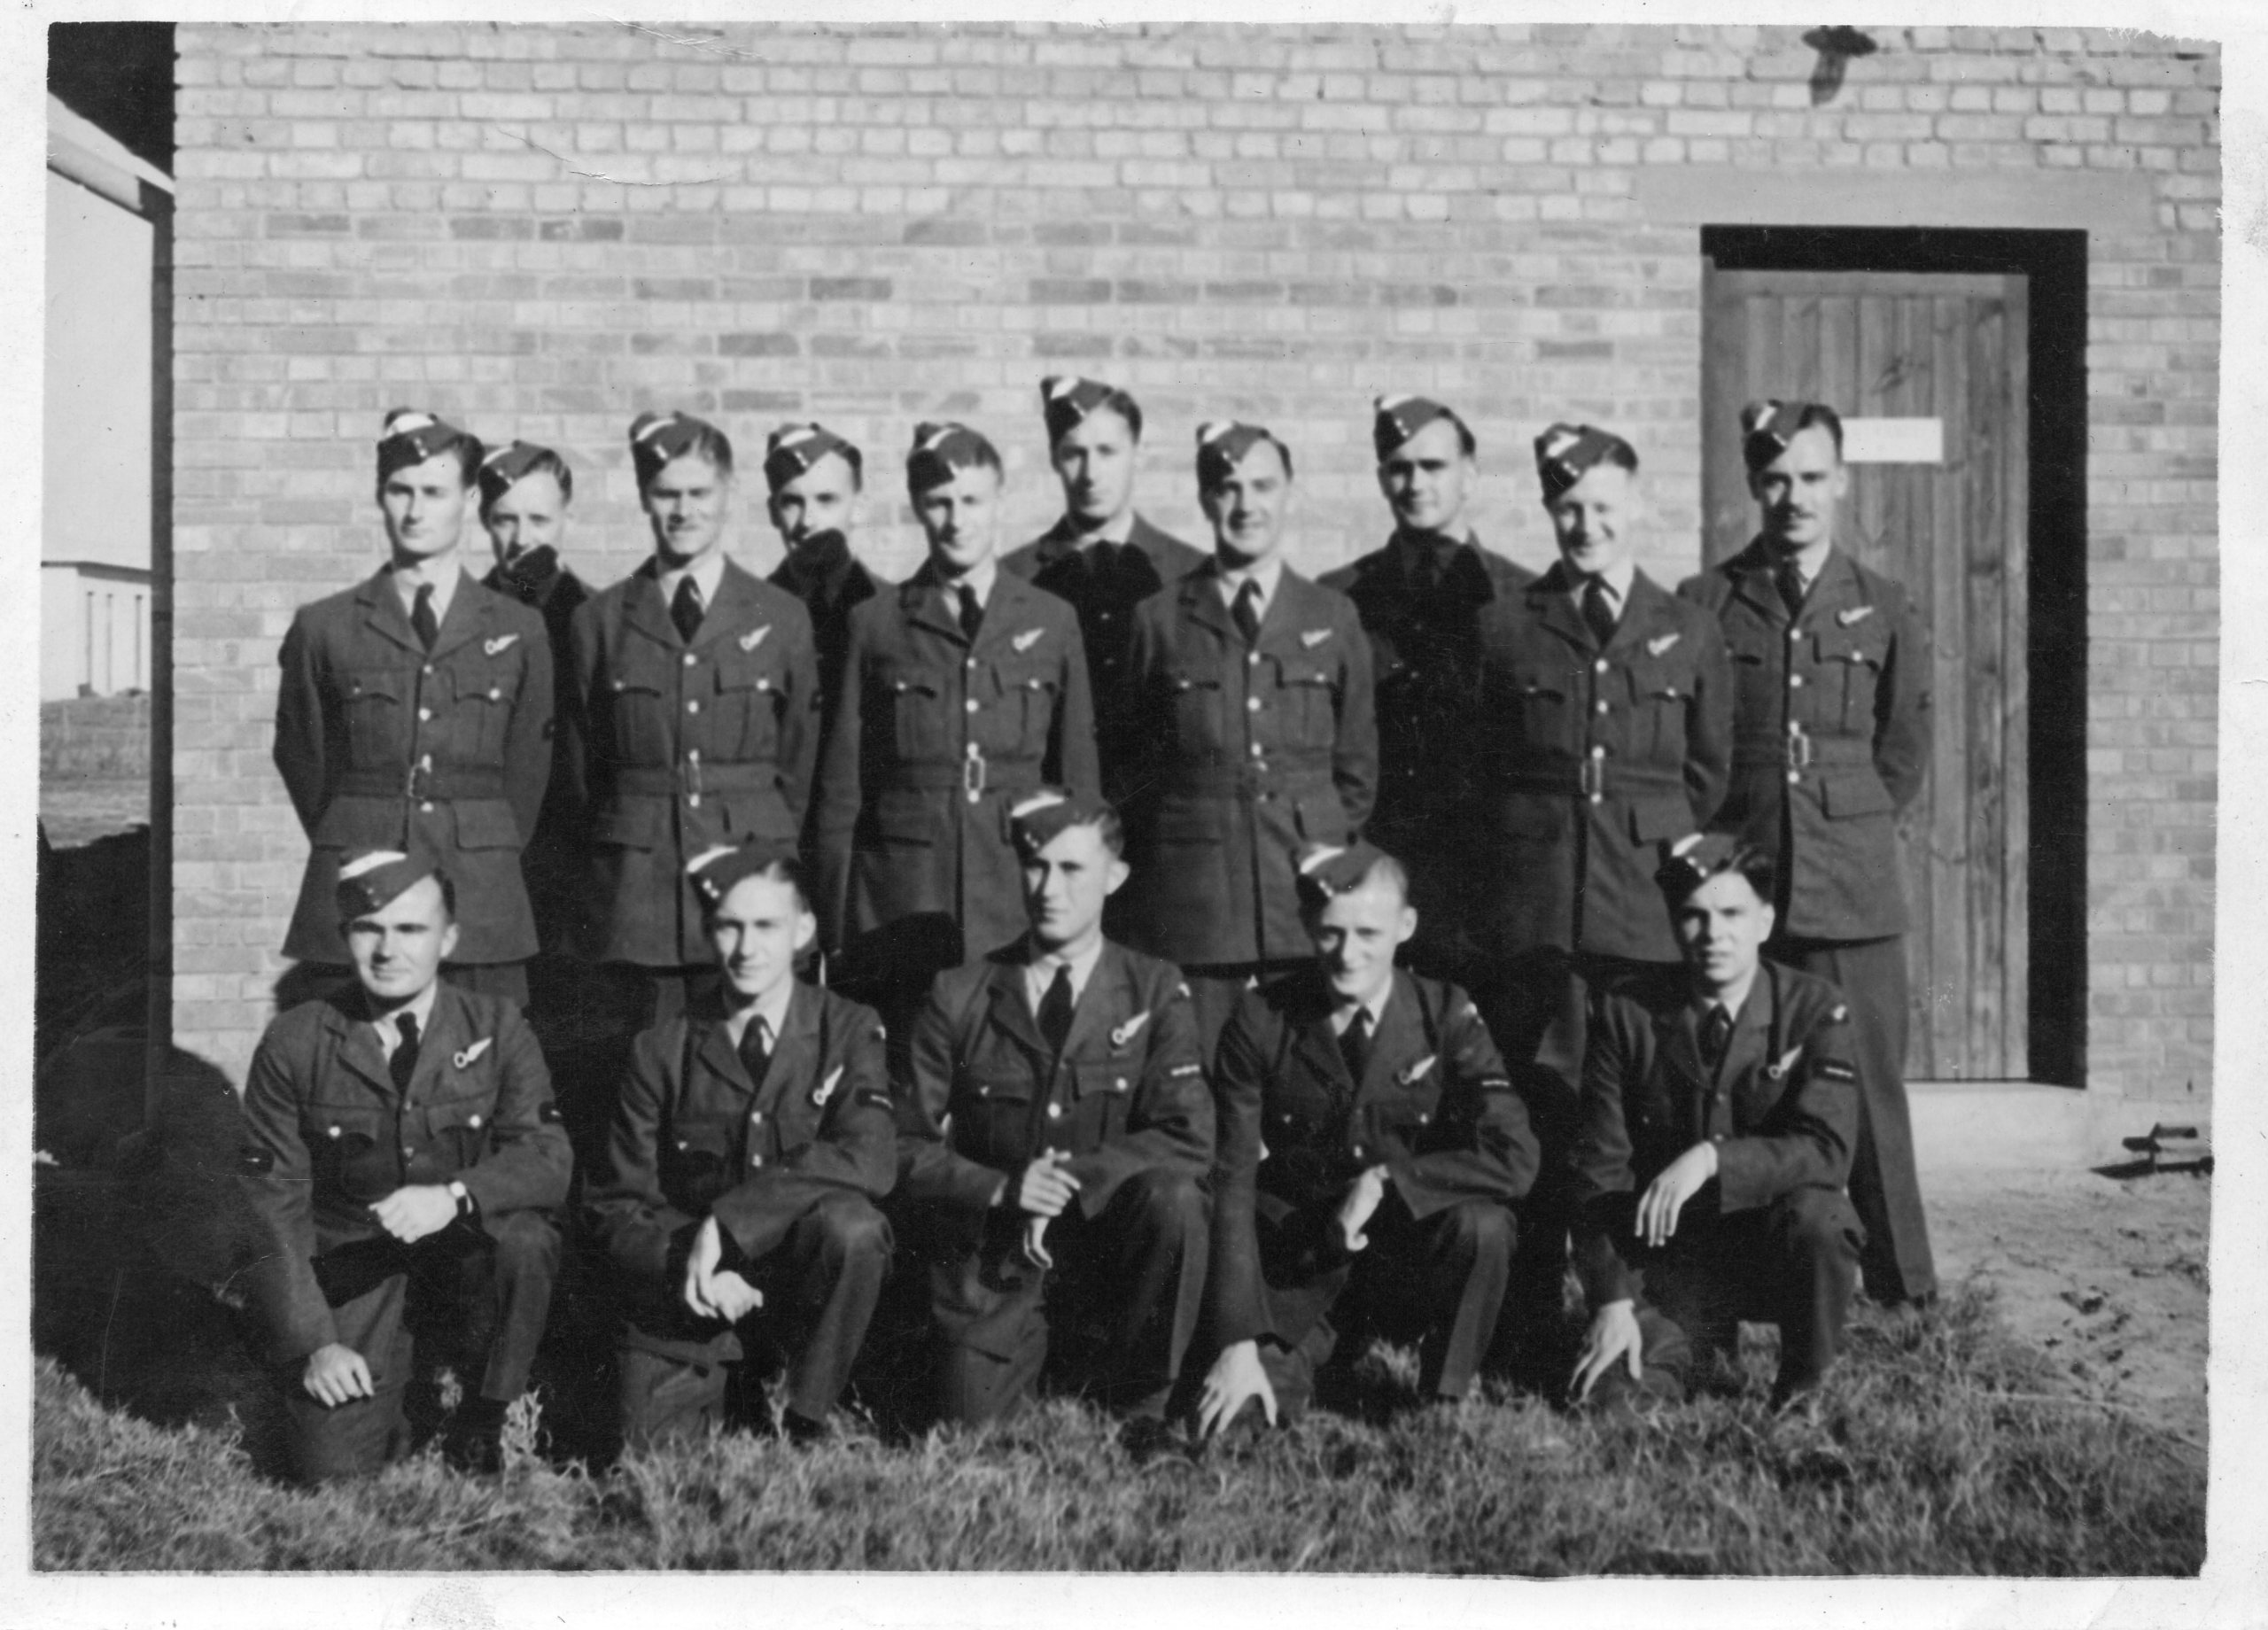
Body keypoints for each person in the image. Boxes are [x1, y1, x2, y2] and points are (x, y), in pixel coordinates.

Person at [1676, 400, 1937, 1309]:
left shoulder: (1884, 603)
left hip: (1848, 883)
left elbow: (1900, 753)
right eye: (1777, 478)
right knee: (1740, 1076)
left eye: (1813, 478)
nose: (1794, 497)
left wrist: (1844, 823)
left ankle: (1904, 1287)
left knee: (1867, 1083)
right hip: (1743, 881)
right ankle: (1735, 1285)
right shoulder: (1705, 602)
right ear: (1752, 483)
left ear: (1842, 483)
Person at [235, 846, 572, 1480]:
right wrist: (314, 1344)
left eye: (411, 929)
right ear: (345, 937)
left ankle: (485, 1412)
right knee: (327, 1478)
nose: (388, 951)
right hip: (357, 1266)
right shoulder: (297, 1040)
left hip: (466, 1251)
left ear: (449, 939)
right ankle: (392, 1382)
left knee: (526, 1240)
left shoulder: (498, 1026)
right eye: (369, 929)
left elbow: (548, 1155)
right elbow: (269, 1201)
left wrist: (455, 1195)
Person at [894, 789, 1212, 1437]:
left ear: (1114, 878)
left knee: (1175, 1198)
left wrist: (1069, 1186)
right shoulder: (960, 994)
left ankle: (1144, 1405)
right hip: (998, 1264)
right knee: (966, 1435)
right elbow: (899, 1144)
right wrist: (1003, 1187)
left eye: (1072, 870)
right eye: (1036, 866)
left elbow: (1188, 1136)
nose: (1048, 888)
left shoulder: (1153, 989)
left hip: (1109, 1258)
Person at [1198, 842, 1536, 1435]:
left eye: (1369, 934)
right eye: (1330, 933)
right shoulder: (1262, 1017)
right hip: (1305, 1257)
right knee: (1241, 1422)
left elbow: (1515, 1155)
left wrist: (1389, 1181)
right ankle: (1309, 1359)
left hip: (1412, 1255)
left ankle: (1445, 1399)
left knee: (1483, 1225)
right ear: (1306, 925)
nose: (1348, 955)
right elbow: (1232, 1179)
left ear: (1405, 927)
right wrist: (1236, 1341)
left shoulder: (1445, 1013)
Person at [586, 840, 896, 1448]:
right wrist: (687, 1258)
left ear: (803, 929)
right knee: (659, 1469)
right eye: (729, 927)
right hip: (695, 1290)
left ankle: (804, 1416)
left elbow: (872, 1157)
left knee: (854, 1227)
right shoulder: (661, 1049)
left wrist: (729, 1224)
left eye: (767, 926)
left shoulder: (849, 1028)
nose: (747, 948)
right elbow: (613, 1205)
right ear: (708, 931)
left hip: (803, 1284)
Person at [812, 422, 1099, 1026]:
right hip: (901, 896)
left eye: (971, 501)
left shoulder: (1050, 619)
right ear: (918, 506)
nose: (956, 519)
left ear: (998, 501)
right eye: (940, 503)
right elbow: (842, 789)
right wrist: (836, 928)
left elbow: (1077, 784)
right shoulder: (877, 623)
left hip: (1014, 889)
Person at [1567, 835, 1865, 1412]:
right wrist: (1608, 1300)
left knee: (1823, 1218)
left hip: (1770, 1249)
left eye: (1732, 914)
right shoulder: (1626, 1014)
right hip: (1669, 1259)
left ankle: (1805, 1392)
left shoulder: (1814, 1009)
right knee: (1612, 1404)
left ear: (1765, 921)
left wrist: (1711, 1159)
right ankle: (1687, 1348)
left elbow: (1826, 1149)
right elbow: (1597, 1165)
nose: (1714, 934)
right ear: (1675, 924)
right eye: (1695, 917)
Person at [1116, 420, 1379, 1057]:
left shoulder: (1331, 616)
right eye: (1227, 488)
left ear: (1288, 492)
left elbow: (1357, 768)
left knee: (1306, 1072)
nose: (1246, 504)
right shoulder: (1158, 619)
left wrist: (1317, 847)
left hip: (1303, 896)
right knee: (1201, 1074)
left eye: (1263, 485)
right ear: (1206, 501)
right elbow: (1131, 767)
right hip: (1197, 903)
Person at [273, 409, 553, 1005]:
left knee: (485, 1061)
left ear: (470, 498)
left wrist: (484, 841)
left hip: (480, 893)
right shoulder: (325, 627)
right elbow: (303, 756)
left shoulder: (518, 628)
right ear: (380, 496)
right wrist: (356, 825)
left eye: (434, 491)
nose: (416, 510)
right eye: (401, 491)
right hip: (359, 882)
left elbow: (530, 769)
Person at [563, 409, 823, 1047]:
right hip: (636, 894)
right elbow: (578, 771)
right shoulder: (599, 622)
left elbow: (802, 761)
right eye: (667, 494)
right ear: (645, 499)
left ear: (728, 493)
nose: (683, 510)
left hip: (748, 876)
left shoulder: (781, 616)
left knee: (748, 1060)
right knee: (639, 1071)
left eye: (698, 493)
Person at [1320, 395, 1534, 981]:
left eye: (1433, 466)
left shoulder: (1527, 599)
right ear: (1381, 479)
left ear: (1471, 473)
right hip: (1384, 871)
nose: (1415, 483)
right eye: (1399, 467)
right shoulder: (1339, 601)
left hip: (1495, 876)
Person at [999, 376, 1206, 803]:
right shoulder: (1013, 579)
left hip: (1165, 821)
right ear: (1055, 459)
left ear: (1138, 456)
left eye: (1107, 452)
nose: (1091, 474)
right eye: (1075, 453)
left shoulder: (1193, 575)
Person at [762, 422, 880, 749]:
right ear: (773, 512)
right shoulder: (746, 616)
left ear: (858, 507)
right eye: (792, 502)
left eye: (826, 500)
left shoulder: (892, 612)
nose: (808, 521)